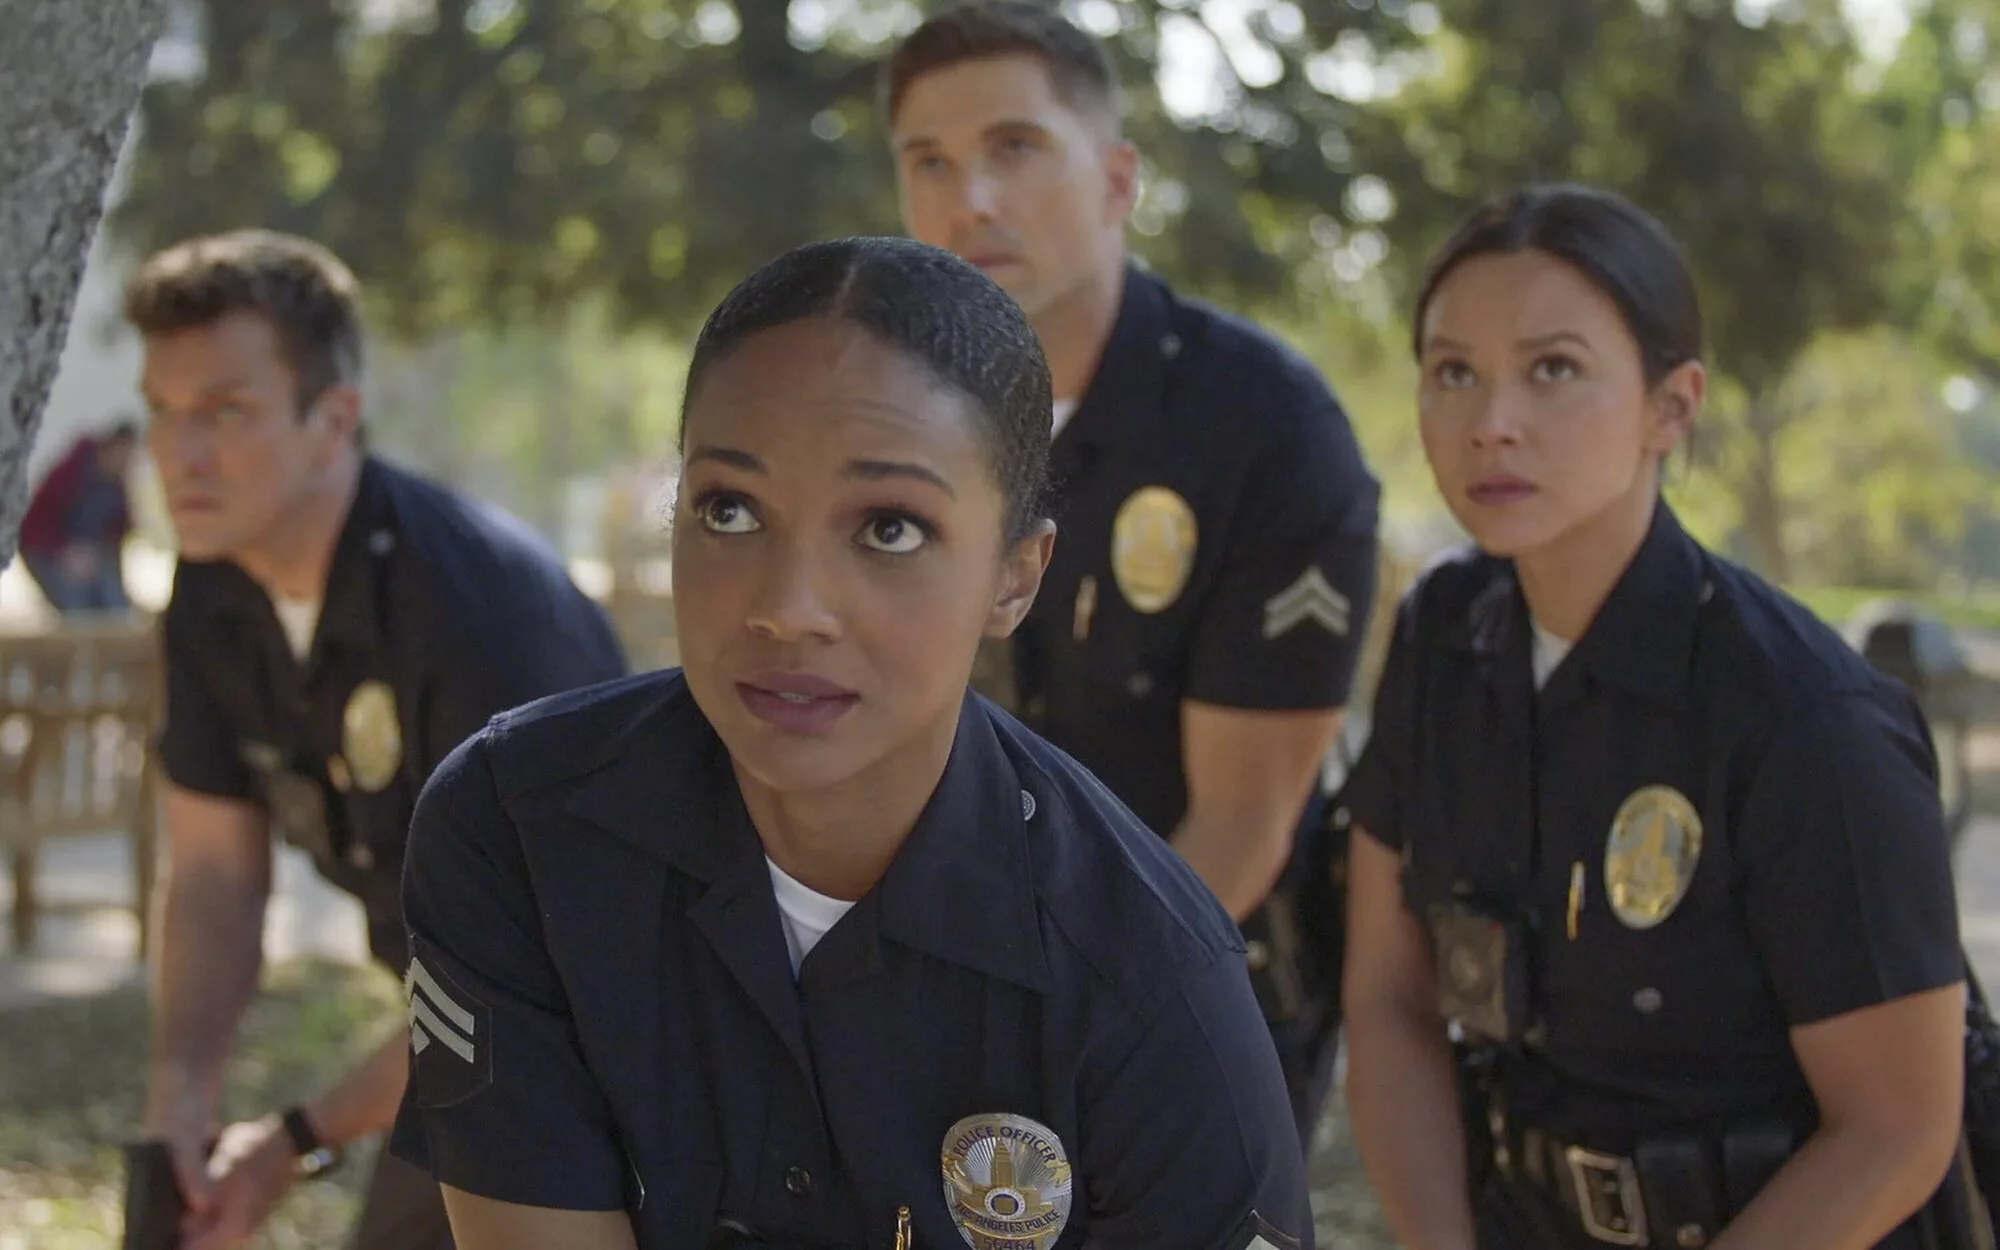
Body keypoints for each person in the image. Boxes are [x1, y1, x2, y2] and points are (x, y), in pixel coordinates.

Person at [388, 236, 1312, 1250]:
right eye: (729, 510)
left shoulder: (1147, 981)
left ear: (1015, 575)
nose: (789, 609)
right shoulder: (518, 829)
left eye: (888, 528)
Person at [1338, 184, 1971, 1250]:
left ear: (1670, 408)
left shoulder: (1803, 716)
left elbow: (1895, 1128)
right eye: (1453, 372)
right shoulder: (1441, 638)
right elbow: (1388, 997)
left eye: (1553, 369)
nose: (1490, 422)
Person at [883, 0, 1381, 1144]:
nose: (970, 199)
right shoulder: (888, 409)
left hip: (1186, 1023)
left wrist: (1030, 1032)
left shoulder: (1262, 427)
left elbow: (1238, 828)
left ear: (1116, 181)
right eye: (929, 161)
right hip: (931, 1000)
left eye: (1014, 147)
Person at [128, 229, 627, 1250]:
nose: (181, 452)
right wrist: (182, 1094)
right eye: (162, 411)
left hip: (608, 1034)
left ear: (334, 419)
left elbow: (532, 987)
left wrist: (291, 1141)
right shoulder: (213, 586)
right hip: (471, 1031)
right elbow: (215, 872)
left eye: (225, 410)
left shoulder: (478, 617)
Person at [19, 420, 139, 614]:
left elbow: (117, 533)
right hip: (51, 553)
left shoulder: (116, 485)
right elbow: (34, 524)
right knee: (79, 605)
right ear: (111, 447)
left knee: (114, 601)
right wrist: (63, 552)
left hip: (92, 558)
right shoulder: (71, 473)